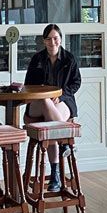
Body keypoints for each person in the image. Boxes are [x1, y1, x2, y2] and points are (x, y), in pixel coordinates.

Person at [24, 23, 81, 192]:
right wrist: (44, 94)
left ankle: (55, 175)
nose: (52, 42)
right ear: (44, 41)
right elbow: (28, 84)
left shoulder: (69, 59)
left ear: (61, 39)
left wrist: (61, 95)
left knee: (50, 123)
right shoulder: (37, 59)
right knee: (45, 101)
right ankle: (64, 142)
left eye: (55, 38)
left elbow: (76, 83)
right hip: (38, 103)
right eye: (48, 39)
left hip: (63, 101)